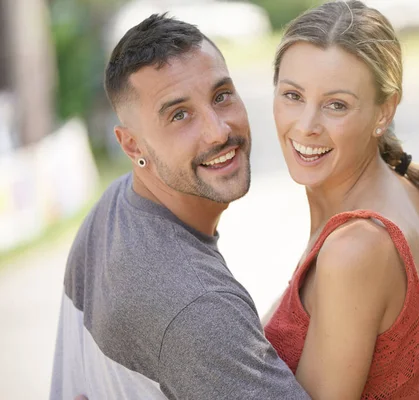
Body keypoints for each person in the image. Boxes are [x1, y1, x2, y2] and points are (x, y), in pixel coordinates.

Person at [50, 14, 310, 399]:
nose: (218, 130)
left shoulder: (115, 207)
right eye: (179, 115)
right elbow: (197, 323)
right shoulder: (198, 306)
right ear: (133, 146)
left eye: (221, 95)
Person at [263, 1, 419, 399]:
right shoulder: (415, 189)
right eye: (293, 95)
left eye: (337, 105)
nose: (307, 126)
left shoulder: (356, 248)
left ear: (384, 111)